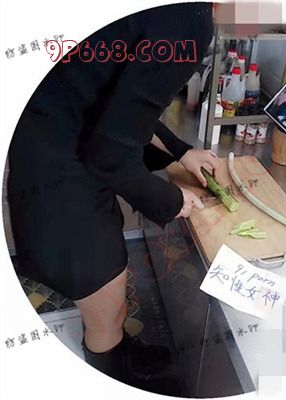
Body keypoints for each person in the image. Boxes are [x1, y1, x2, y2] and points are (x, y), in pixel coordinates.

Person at [6, 2, 216, 387]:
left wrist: (181, 151)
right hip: (63, 173)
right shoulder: (191, 18)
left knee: (109, 300)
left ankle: (119, 348)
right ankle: (110, 372)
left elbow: (117, 103)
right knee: (105, 311)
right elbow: (110, 155)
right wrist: (170, 200)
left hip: (45, 146)